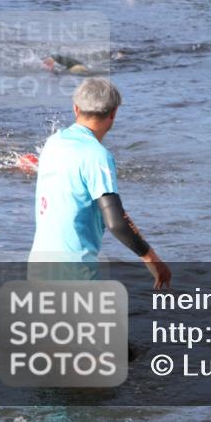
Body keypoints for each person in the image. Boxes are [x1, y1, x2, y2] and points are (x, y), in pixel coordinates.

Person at [29, 78, 171, 289]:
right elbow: (116, 221)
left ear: (75, 108)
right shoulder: (97, 156)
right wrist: (152, 259)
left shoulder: (53, 143)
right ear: (113, 113)